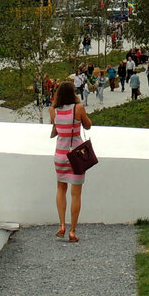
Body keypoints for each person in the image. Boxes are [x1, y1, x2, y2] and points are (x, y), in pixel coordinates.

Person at [51, 80, 92, 243]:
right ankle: (73, 231)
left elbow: (55, 129)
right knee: (76, 194)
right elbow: (88, 126)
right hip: (76, 155)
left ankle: (62, 225)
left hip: (60, 154)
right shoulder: (78, 108)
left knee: (61, 189)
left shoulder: (53, 110)